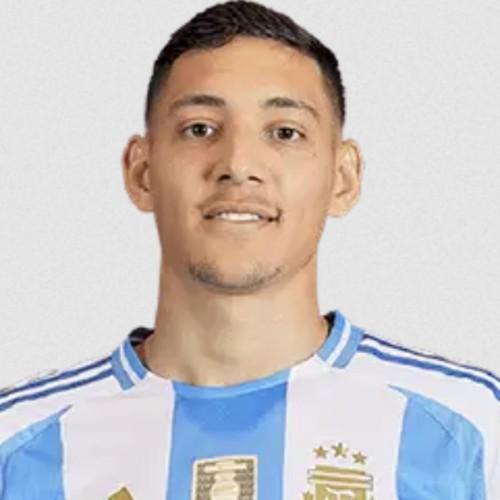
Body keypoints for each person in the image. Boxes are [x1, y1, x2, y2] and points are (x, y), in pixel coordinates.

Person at [0, 1, 498, 498]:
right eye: (199, 129)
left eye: (285, 132)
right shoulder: (18, 445)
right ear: (142, 171)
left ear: (343, 178)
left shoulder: (471, 432)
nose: (238, 164)